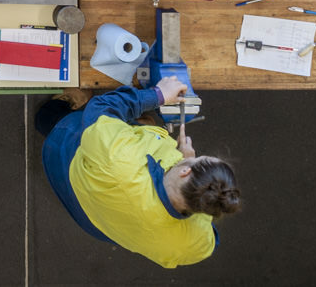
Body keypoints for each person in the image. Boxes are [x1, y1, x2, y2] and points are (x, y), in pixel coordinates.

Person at [37, 78, 240, 268]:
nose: (191, 154)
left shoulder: (118, 157)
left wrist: (158, 95)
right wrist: (180, 156)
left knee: (60, 123)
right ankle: (135, 125)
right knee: (139, 125)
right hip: (100, 223)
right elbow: (207, 239)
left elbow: (100, 109)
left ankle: (55, 111)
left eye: (196, 158)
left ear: (186, 172)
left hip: (71, 166)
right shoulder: (195, 244)